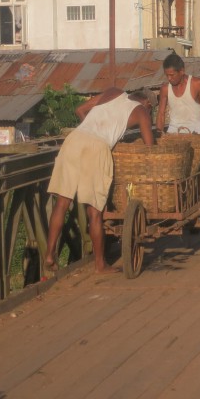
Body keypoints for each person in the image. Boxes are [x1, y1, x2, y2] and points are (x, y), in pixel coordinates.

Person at [44, 86, 154, 275]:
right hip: (98, 148)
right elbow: (149, 145)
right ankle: (100, 264)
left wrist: (91, 130)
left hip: (75, 139)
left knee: (62, 202)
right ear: (148, 103)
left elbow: (79, 109)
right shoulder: (141, 111)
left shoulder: (114, 92)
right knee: (95, 211)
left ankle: (49, 253)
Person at [157, 52, 200, 135]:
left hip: (196, 133)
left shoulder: (197, 84)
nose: (169, 78)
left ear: (182, 71)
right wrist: (160, 134)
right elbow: (161, 113)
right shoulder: (165, 89)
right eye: (167, 75)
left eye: (172, 75)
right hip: (173, 133)